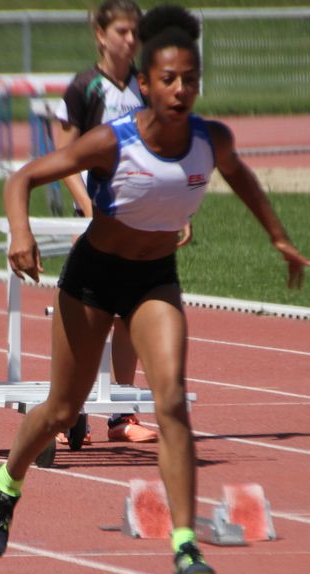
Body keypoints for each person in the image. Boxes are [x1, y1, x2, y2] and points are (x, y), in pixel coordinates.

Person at [0, 5, 310, 574]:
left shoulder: (212, 140)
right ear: (144, 84)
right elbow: (22, 178)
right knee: (62, 408)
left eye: (189, 80)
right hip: (92, 277)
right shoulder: (114, 141)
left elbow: (243, 179)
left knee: (172, 400)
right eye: (167, 79)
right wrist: (22, 231)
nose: (180, 90)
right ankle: (5, 482)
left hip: (154, 280)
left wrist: (279, 237)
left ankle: (185, 544)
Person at [53, 0, 190, 445]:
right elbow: (62, 158)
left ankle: (120, 414)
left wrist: (175, 210)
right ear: (100, 34)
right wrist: (86, 206)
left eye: (136, 33)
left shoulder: (147, 85)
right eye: (123, 32)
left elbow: (167, 148)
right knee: (89, 312)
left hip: (145, 220)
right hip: (97, 219)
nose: (131, 41)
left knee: (130, 315)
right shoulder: (83, 88)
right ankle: (71, 409)